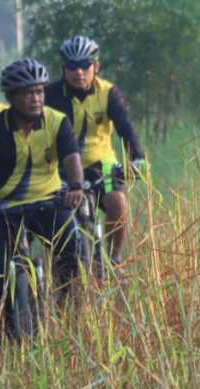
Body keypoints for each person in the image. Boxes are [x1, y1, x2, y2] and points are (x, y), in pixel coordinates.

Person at [0, 58, 86, 321]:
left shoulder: (57, 122)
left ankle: (70, 314)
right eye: (28, 93)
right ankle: (5, 332)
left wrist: (77, 187)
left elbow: (72, 159)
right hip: (3, 209)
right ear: (12, 97)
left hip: (49, 203)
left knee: (73, 248)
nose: (36, 99)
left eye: (39, 91)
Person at [45, 35, 146, 265]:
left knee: (117, 202)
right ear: (64, 68)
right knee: (53, 219)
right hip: (62, 169)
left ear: (96, 66)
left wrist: (138, 158)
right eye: (72, 65)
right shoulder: (50, 95)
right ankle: (55, 269)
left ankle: (114, 260)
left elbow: (126, 129)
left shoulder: (109, 92)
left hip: (104, 165)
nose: (78, 72)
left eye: (84, 65)